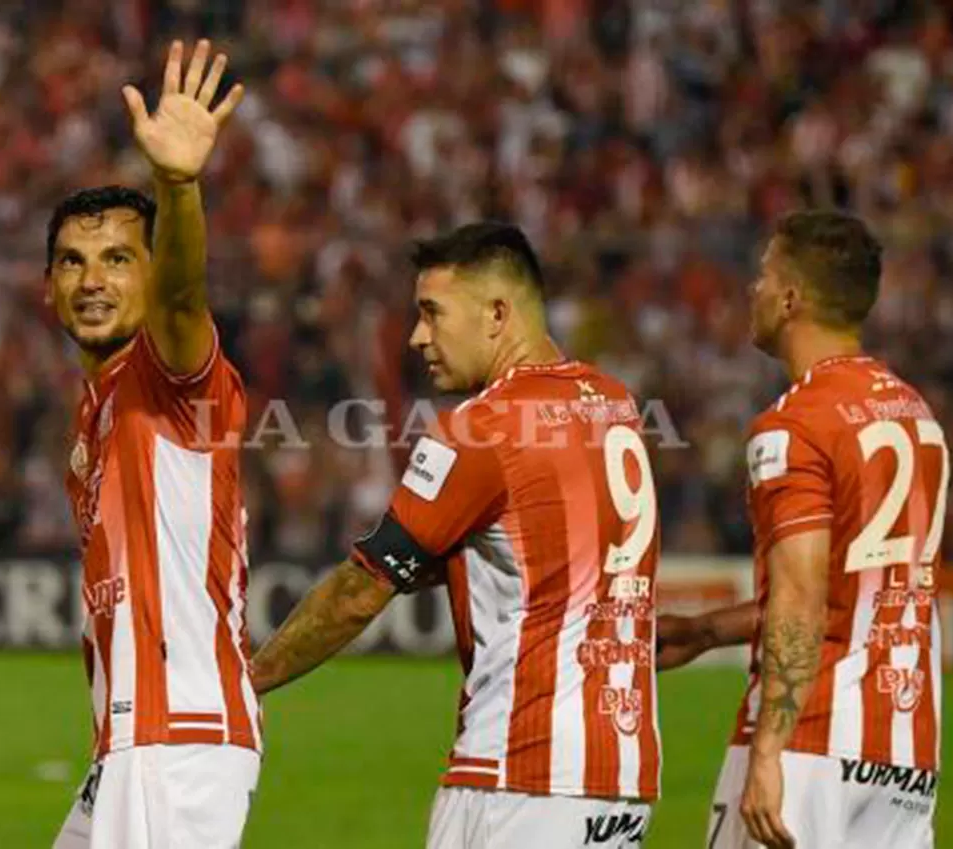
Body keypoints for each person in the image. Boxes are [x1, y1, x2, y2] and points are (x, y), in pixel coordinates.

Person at [250, 222, 662, 849]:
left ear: (497, 314)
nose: (418, 337)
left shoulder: (482, 427)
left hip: (518, 770)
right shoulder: (615, 404)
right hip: (622, 773)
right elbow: (540, 546)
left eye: (432, 313)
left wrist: (248, 680)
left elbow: (362, 590)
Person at [658, 210, 948, 849]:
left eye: (763, 275)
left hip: (813, 738)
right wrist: (709, 630)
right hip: (905, 748)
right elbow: (859, 586)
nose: (751, 290)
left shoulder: (793, 425)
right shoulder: (914, 413)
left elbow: (801, 595)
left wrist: (770, 750)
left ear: (791, 299)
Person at [46, 39, 257, 849]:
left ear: (151, 270)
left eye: (118, 260)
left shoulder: (170, 374)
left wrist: (178, 181)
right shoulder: (95, 409)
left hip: (177, 736)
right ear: (48, 285)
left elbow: (183, 295)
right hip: (136, 743)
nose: (92, 280)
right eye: (73, 261)